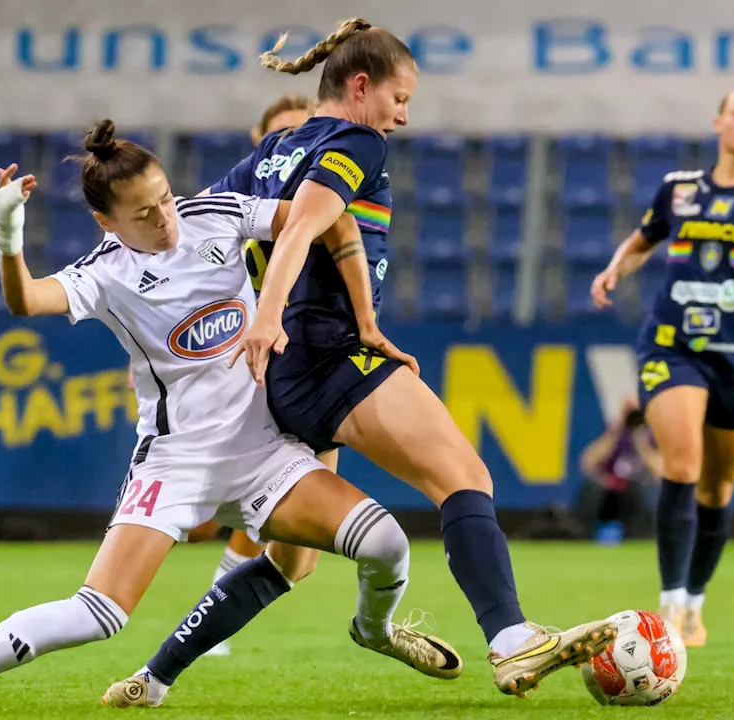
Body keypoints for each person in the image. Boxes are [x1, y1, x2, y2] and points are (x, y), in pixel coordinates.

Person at [0, 122, 461, 716]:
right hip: (176, 462)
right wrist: (9, 230)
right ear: (106, 221)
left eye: (165, 198)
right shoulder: (104, 273)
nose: (165, 217)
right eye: (143, 213)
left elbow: (316, 218)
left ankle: (374, 631)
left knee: (386, 542)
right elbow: (25, 299)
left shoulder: (215, 213)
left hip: (264, 452)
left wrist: (359, 313)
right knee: (98, 614)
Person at [112, 18, 617, 703]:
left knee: (291, 562)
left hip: (282, 379)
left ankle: (153, 677)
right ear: (359, 85)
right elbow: (310, 226)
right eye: (400, 98)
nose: (403, 116)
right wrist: (269, 316)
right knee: (463, 476)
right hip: (324, 358)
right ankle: (510, 639)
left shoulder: (256, 166)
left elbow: (185, 250)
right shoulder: (356, 139)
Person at [589, 84, 734, 647]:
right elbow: (643, 239)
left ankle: (694, 603)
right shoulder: (679, 189)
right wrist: (615, 269)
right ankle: (669, 607)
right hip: (671, 345)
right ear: (719, 122)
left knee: (718, 488)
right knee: (682, 462)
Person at [181, 94, 316, 658]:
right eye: (280, 136)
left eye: (303, 136)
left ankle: (216, 598)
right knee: (197, 523)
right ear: (259, 142)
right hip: (228, 365)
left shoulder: (326, 204)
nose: (293, 148)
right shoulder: (224, 207)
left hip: (297, 363)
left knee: (288, 534)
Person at [573, 396, 662, 542]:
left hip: (637, 491)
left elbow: (660, 472)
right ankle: (584, 535)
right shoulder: (614, 435)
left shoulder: (654, 436)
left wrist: (640, 439)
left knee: (643, 491)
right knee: (591, 487)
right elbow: (587, 463)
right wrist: (618, 428)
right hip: (610, 490)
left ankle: (636, 538)